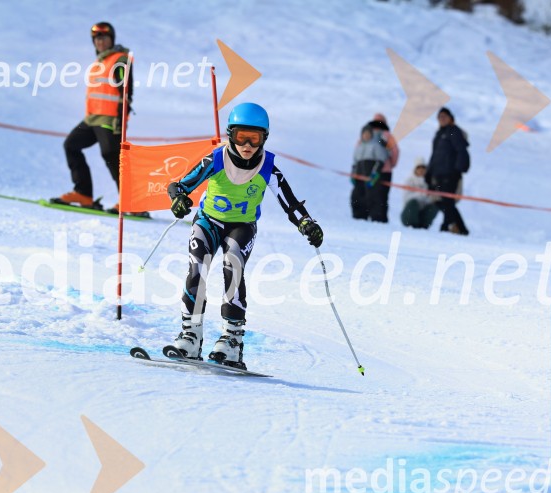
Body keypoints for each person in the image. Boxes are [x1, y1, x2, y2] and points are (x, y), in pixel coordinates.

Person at [165, 103, 323, 368]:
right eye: (241, 137)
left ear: (264, 138)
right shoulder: (217, 159)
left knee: (233, 267)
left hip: (242, 226)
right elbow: (179, 185)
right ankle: (190, 336)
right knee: (197, 269)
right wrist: (178, 199)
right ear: (230, 135)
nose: (247, 145)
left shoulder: (267, 167)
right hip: (208, 222)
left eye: (255, 138)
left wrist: (307, 223)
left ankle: (232, 341)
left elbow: (290, 203)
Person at [52, 22, 147, 216]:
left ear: (112, 39)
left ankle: (132, 203)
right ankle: (83, 194)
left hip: (110, 119)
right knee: (71, 145)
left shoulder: (119, 59)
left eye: (104, 38)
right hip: (92, 119)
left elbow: (126, 91)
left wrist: (121, 116)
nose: (100, 42)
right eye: (96, 39)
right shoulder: (100, 62)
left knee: (112, 155)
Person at [426, 107, 469, 235]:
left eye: (444, 116)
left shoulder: (453, 131)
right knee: (441, 201)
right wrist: (429, 173)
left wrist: (458, 170)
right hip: (438, 174)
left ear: (451, 118)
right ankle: (461, 228)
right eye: (440, 117)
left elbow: (461, 150)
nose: (442, 119)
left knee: (448, 201)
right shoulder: (439, 134)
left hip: (450, 174)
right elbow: (434, 155)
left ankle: (447, 226)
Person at [350, 113, 399, 223]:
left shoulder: (367, 136)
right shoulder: (385, 136)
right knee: (379, 197)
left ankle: (363, 217)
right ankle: (378, 219)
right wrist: (390, 164)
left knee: (368, 195)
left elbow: (357, 153)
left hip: (371, 171)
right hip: (382, 172)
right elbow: (395, 152)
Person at [400, 157, 439, 229]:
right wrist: (422, 194)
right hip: (408, 214)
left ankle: (423, 225)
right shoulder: (410, 180)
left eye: (423, 168)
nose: (421, 170)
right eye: (419, 167)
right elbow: (406, 198)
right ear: (415, 169)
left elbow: (430, 200)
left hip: (422, 213)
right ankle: (412, 224)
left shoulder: (429, 182)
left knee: (434, 206)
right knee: (413, 203)